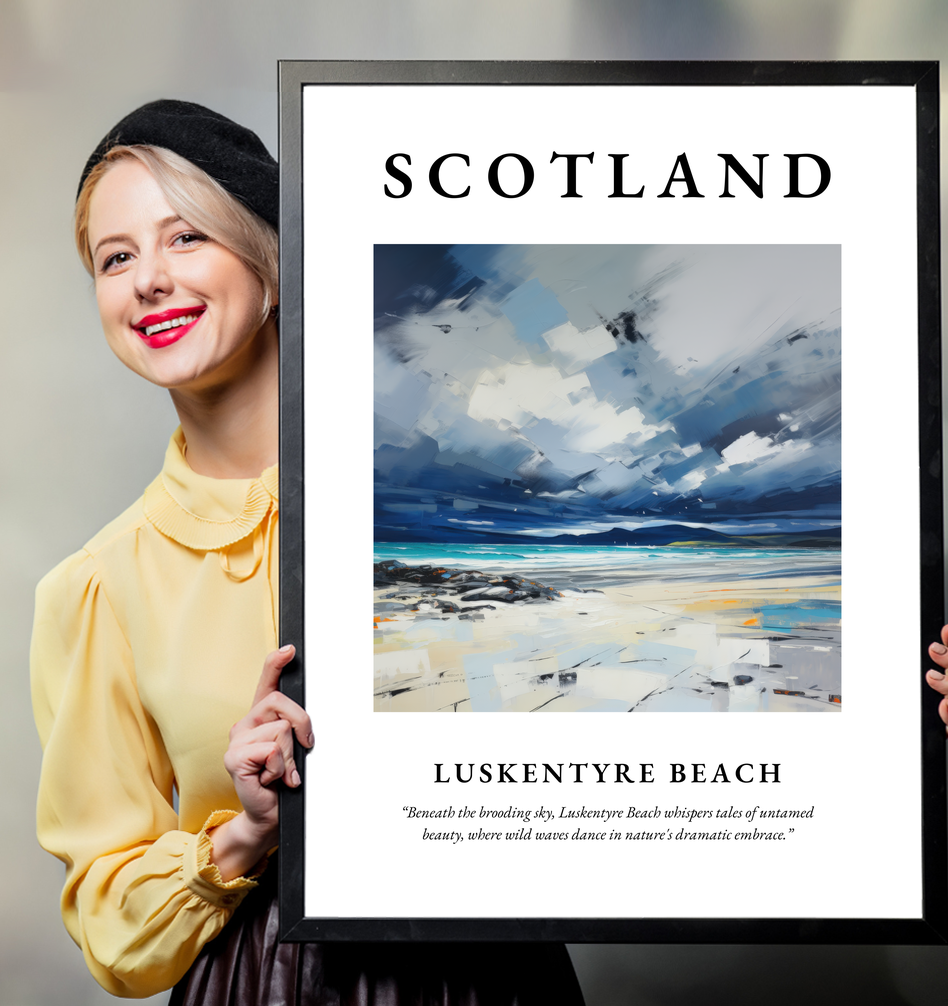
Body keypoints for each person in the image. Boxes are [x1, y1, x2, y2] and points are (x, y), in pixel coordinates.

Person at [30, 100, 585, 1004]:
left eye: (186, 239)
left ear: (273, 264)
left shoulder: (446, 504)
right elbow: (110, 924)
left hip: (492, 973)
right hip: (263, 981)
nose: (148, 281)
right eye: (116, 257)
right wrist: (245, 832)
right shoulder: (97, 587)